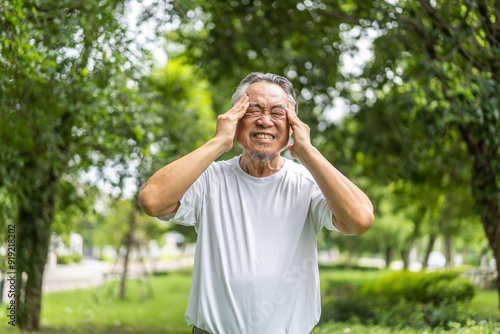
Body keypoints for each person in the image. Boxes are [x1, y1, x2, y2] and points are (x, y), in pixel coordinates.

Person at [139, 72, 374, 334]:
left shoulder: (307, 184)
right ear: (236, 119)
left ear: (293, 124)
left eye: (277, 113)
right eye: (253, 111)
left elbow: (360, 220)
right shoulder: (210, 179)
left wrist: (308, 152)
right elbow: (152, 200)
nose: (265, 121)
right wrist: (219, 142)